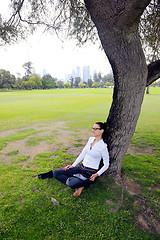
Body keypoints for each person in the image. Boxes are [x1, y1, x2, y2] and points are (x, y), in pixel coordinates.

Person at [38, 122, 110, 197]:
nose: (93, 130)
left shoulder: (103, 147)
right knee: (56, 173)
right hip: (80, 168)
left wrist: (96, 174)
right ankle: (79, 184)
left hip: (89, 173)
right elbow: (83, 154)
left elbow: (106, 164)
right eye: (93, 128)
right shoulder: (91, 139)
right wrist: (73, 165)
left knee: (72, 184)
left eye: (96, 129)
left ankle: (80, 183)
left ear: (102, 131)